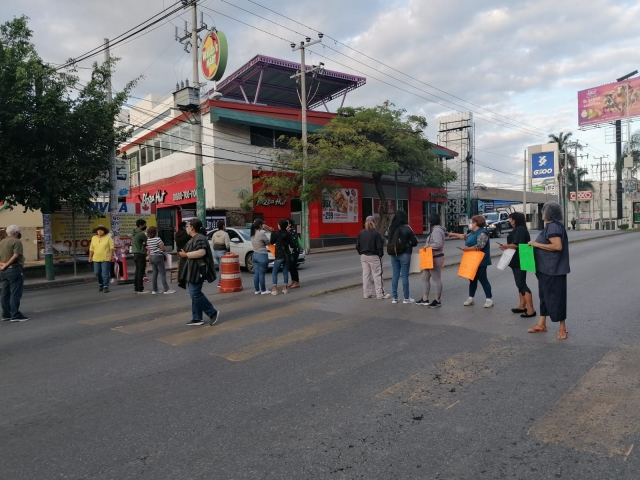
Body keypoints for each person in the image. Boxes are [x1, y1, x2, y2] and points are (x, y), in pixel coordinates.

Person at [526, 201, 570, 340]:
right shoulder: (550, 227)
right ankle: (541, 324)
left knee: (557, 298)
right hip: (545, 270)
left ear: (549, 213)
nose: (541, 213)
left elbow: (557, 246)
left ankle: (562, 328)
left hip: (553, 270)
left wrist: (536, 244)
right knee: (544, 297)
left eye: (543, 211)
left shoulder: (553, 227)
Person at [178, 219, 219, 326]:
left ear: (192, 227)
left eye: (188, 226)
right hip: (192, 270)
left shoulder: (200, 237)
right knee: (194, 294)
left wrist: (186, 255)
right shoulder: (194, 238)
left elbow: (201, 252)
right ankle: (197, 318)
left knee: (195, 293)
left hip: (197, 270)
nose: (187, 228)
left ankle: (212, 312)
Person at [449, 215, 493, 308]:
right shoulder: (473, 232)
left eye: (472, 222)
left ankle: (489, 299)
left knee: (483, 279)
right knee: (472, 279)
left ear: (476, 223)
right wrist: (453, 234)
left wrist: (467, 249)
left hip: (481, 261)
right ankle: (470, 298)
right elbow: (464, 236)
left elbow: (480, 246)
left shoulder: (482, 233)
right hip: (472, 260)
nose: (470, 224)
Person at [498, 212, 535, 318]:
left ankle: (531, 310)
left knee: (521, 284)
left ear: (514, 220)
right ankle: (522, 306)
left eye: (510, 219)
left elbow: (517, 244)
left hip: (520, 259)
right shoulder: (521, 229)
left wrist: (505, 246)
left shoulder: (519, 230)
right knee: (520, 283)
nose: (509, 221)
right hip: (523, 258)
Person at [387, 210, 418, 304]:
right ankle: (406, 298)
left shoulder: (391, 228)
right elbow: (415, 241)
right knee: (404, 275)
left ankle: (394, 298)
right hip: (405, 253)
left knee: (395, 275)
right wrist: (408, 245)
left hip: (393, 253)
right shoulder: (407, 228)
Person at [416, 213, 447, 307]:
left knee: (436, 279)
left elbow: (438, 244)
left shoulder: (437, 230)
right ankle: (425, 299)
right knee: (424, 277)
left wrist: (428, 246)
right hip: (429, 258)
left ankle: (437, 300)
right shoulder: (435, 230)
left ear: (430, 221)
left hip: (435, 258)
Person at [356, 216, 390, 300]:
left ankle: (367, 293)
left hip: (364, 256)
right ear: (374, 223)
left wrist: (361, 252)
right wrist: (380, 255)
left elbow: (357, 245)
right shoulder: (376, 233)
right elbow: (379, 246)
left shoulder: (361, 233)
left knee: (366, 275)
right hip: (374, 256)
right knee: (377, 275)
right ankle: (380, 294)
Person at [0, 225, 29, 322]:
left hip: (3, 271)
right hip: (14, 269)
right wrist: (7, 264)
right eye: (18, 231)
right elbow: (16, 256)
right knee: (15, 293)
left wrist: (2, 265)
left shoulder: (2, 242)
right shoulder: (17, 241)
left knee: (5, 293)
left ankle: (6, 314)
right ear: (16, 232)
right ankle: (15, 314)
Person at [146, 226, 175, 295]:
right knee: (162, 273)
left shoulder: (148, 240)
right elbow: (163, 248)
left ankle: (154, 290)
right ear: (155, 232)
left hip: (152, 256)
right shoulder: (158, 239)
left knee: (154, 274)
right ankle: (166, 289)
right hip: (158, 256)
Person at [270, 218, 295, 295]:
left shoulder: (276, 233)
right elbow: (292, 245)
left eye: (278, 224)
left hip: (279, 255)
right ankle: (285, 288)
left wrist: (272, 233)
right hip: (287, 254)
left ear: (280, 226)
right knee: (285, 272)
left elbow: (271, 242)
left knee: (274, 272)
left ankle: (275, 289)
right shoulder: (289, 234)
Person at [88, 225, 114, 293]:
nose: (99, 231)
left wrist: (111, 256)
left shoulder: (108, 238)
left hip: (106, 258)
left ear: (104, 231)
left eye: (101, 229)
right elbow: (91, 248)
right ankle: (100, 284)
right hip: (96, 258)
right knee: (97, 273)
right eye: (98, 229)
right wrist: (90, 256)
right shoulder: (94, 238)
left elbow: (111, 247)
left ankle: (106, 286)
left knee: (105, 273)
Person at [250, 219, 272, 295]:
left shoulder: (252, 234)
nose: (263, 226)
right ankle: (263, 290)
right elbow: (268, 242)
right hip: (262, 254)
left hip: (255, 255)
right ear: (259, 225)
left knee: (256, 273)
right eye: (262, 224)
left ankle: (257, 290)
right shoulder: (261, 233)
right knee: (262, 273)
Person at [211, 220, 230, 287]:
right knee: (221, 269)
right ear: (223, 226)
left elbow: (213, 244)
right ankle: (220, 282)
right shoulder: (225, 234)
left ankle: (222, 281)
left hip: (216, 252)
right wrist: (228, 251)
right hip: (222, 252)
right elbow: (227, 245)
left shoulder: (214, 234)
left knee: (220, 267)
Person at [131, 219, 149, 294]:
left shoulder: (133, 233)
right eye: (144, 225)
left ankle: (136, 288)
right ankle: (140, 289)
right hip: (140, 254)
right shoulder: (141, 233)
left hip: (135, 254)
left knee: (137, 271)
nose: (145, 226)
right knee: (141, 272)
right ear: (141, 225)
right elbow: (147, 241)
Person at [286, 219, 302, 289]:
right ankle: (293, 281)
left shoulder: (293, 232)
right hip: (290, 252)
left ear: (290, 224)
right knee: (290, 267)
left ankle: (297, 282)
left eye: (287, 223)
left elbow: (293, 242)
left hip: (294, 252)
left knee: (293, 266)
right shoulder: (288, 232)